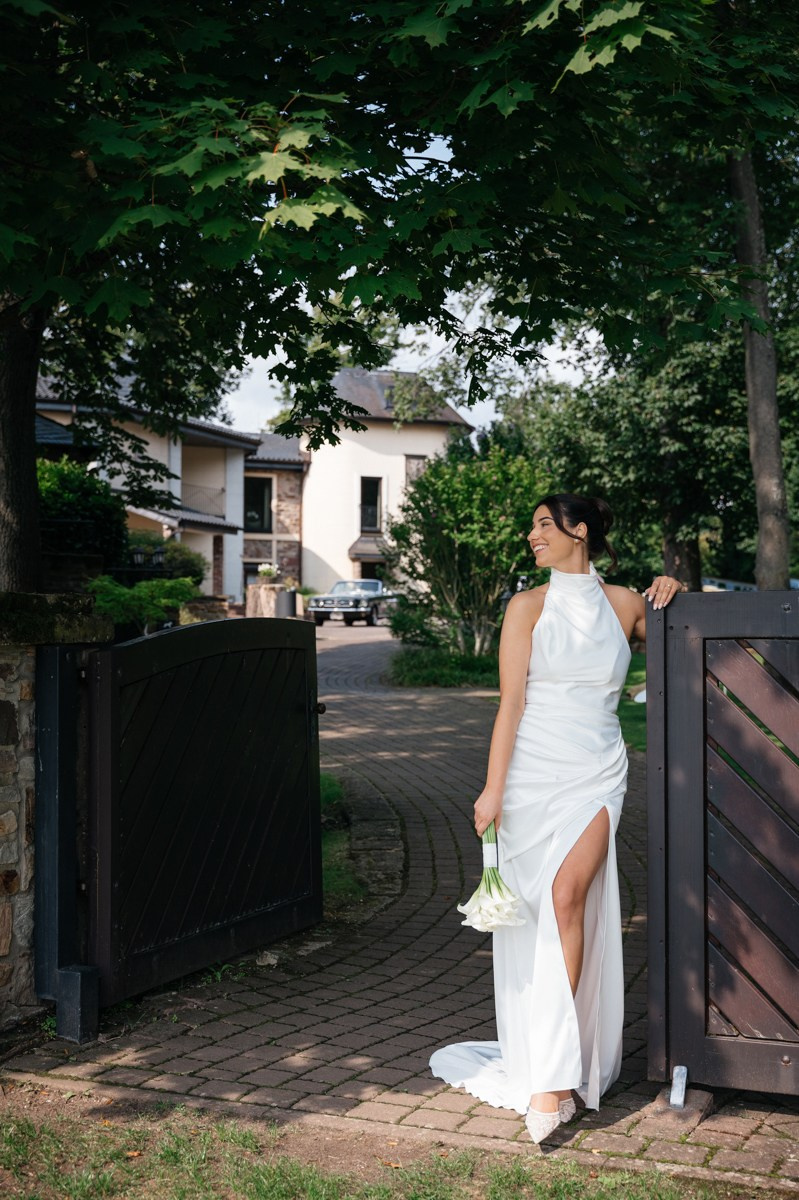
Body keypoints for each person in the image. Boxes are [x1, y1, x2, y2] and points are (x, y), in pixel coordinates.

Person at [429, 493, 685, 1144]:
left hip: (596, 769)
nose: (532, 534)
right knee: (537, 914)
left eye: (545, 524)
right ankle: (550, 1062)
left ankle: (555, 1076)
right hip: (530, 772)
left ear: (581, 532)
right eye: (532, 525)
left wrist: (674, 590)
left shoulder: (625, 604)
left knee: (569, 896)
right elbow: (510, 704)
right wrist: (492, 790)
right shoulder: (527, 606)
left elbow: (683, 645)